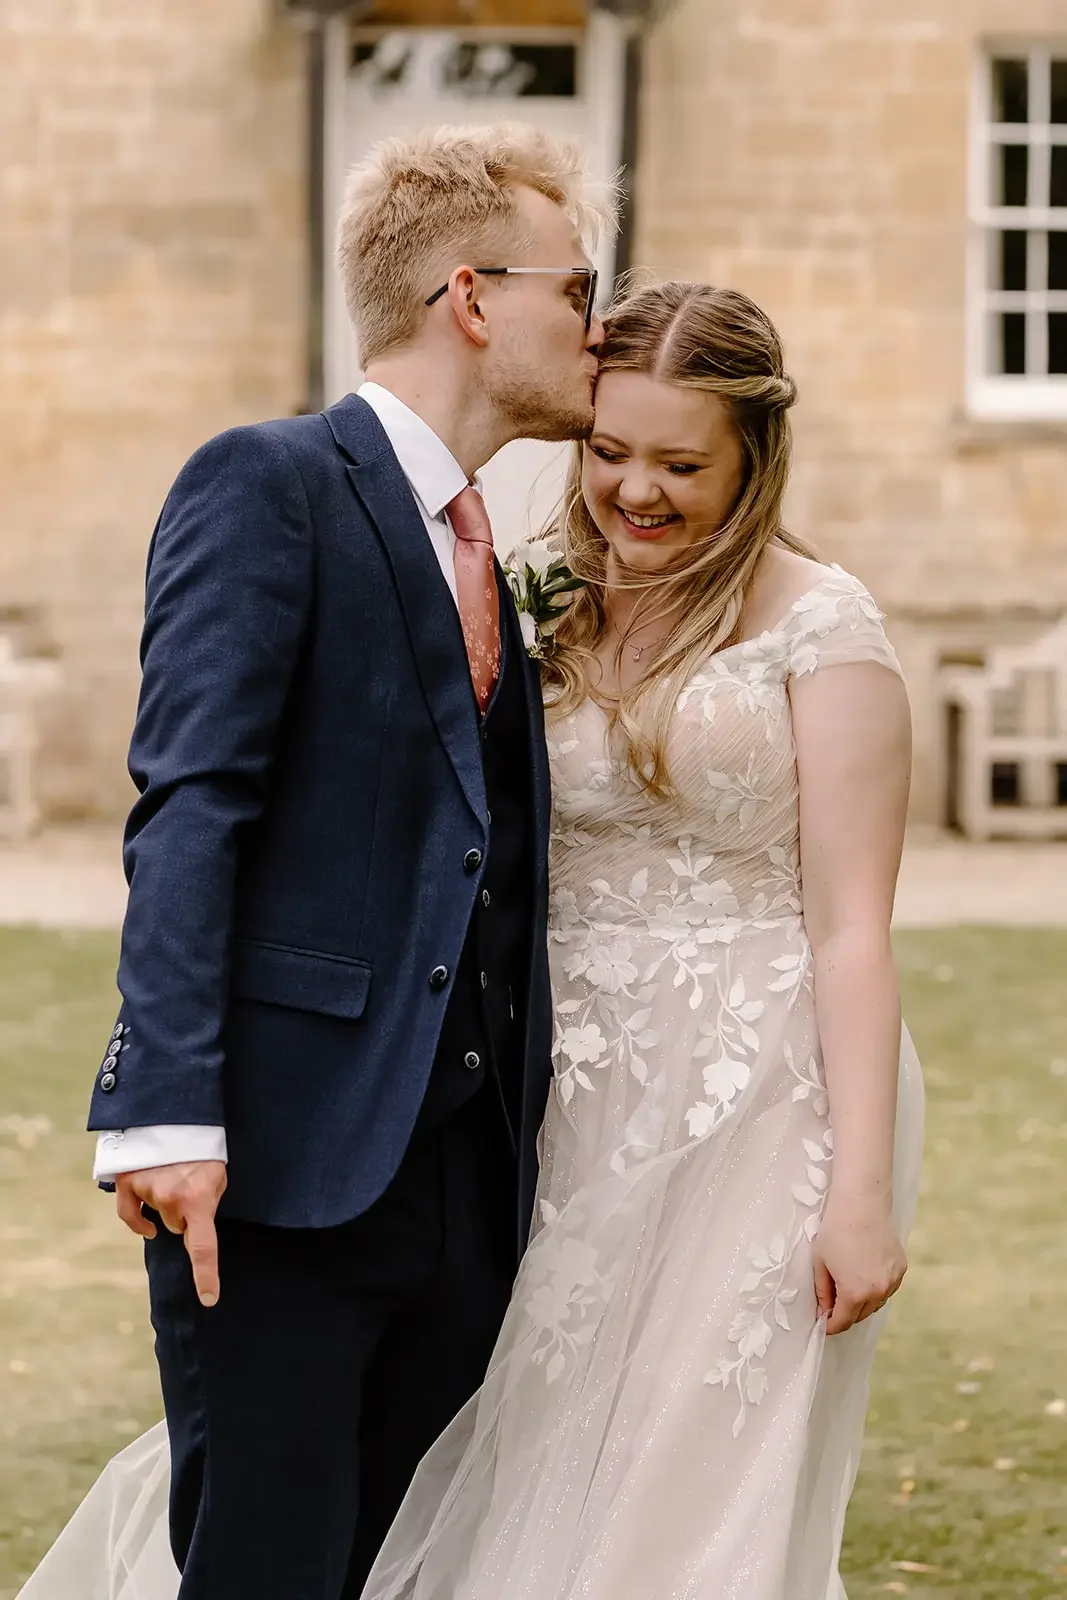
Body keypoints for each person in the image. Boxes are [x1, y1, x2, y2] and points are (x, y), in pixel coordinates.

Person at [16, 123, 612, 1600]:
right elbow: (192, 802)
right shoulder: (265, 481)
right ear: (471, 297)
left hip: (464, 1191)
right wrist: (161, 1113)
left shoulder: (493, 543)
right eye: (577, 293)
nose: (596, 332)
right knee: (267, 1568)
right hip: (283, 1171)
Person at [356, 281, 926, 1600]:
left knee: (691, 1474)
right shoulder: (528, 595)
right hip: (545, 1085)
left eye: (682, 464)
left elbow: (847, 927)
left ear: (753, 460)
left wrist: (856, 1194)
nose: (637, 492)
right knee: (522, 1431)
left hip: (763, 1094)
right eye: (609, 452)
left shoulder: (821, 627)